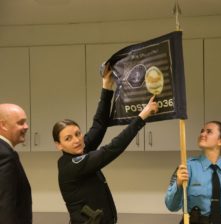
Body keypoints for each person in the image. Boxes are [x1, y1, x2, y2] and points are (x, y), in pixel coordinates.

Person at [52, 67, 158, 224]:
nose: (76, 140)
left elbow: (99, 124)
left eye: (78, 134)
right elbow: (111, 150)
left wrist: (106, 87)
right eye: (68, 138)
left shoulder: (80, 151)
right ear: (59, 145)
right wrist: (141, 117)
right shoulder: (72, 165)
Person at [165, 121, 221, 224]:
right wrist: (178, 184)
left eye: (209, 132)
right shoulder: (187, 167)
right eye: (202, 131)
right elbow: (171, 206)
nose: (202, 134)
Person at [0, 104, 32, 224]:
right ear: (3, 125)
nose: (26, 127)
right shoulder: (5, 155)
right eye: (21, 123)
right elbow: (6, 205)